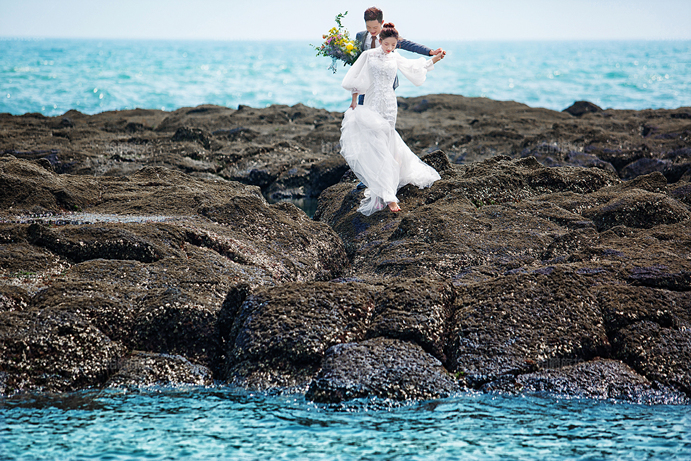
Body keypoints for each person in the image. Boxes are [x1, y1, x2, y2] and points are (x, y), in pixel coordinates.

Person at [340, 22, 445, 215]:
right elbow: (357, 78)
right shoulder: (368, 55)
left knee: (387, 142)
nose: (389, 49)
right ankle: (388, 195)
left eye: (393, 45)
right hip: (371, 102)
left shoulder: (395, 56)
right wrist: (355, 101)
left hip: (389, 104)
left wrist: (435, 59)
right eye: (387, 44)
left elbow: (414, 67)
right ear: (379, 41)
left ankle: (385, 185)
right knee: (375, 144)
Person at [355, 7, 444, 104]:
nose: (372, 30)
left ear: (382, 22)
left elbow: (410, 45)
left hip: (384, 84)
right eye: (368, 27)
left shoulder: (389, 37)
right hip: (365, 83)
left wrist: (431, 52)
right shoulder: (360, 36)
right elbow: (357, 57)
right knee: (362, 112)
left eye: (375, 27)